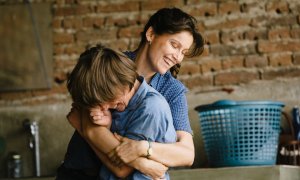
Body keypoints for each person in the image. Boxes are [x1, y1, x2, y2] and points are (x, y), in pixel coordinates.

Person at [61, 6, 205, 179]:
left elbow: (187, 154)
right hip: (80, 172)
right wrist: (141, 163)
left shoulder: (172, 91)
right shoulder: (111, 66)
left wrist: (143, 148)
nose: (178, 57)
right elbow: (92, 128)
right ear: (151, 34)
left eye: (183, 52)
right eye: (174, 45)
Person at [56, 44, 176, 180]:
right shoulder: (117, 99)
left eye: (104, 102)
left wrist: (84, 129)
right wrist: (103, 127)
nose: (104, 108)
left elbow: (122, 169)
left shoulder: (150, 108)